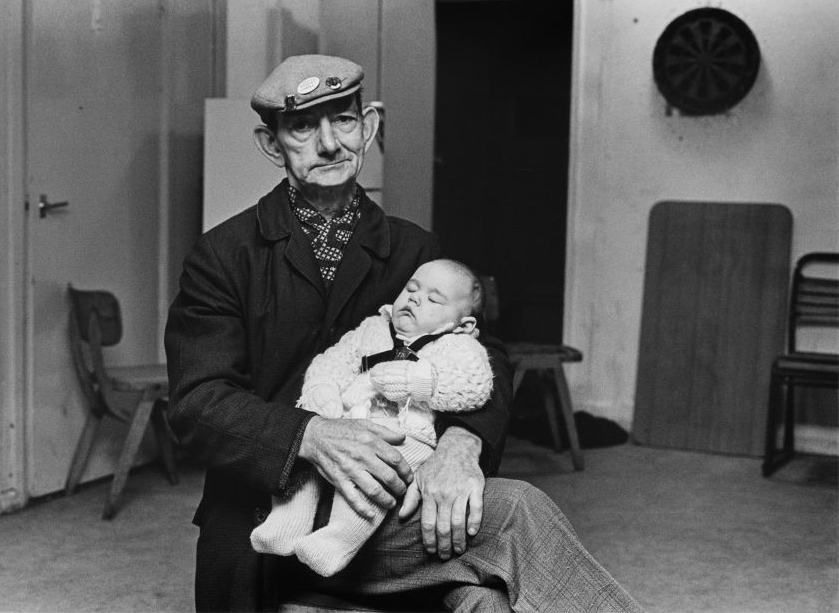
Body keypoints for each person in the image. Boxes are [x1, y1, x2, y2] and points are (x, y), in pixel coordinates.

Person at [165, 54, 644, 612]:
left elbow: (482, 352)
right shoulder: (223, 256)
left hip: (397, 499)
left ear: (368, 126)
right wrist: (311, 436)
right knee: (514, 513)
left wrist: (463, 444)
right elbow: (197, 402)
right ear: (272, 145)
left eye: (343, 120)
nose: (328, 143)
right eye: (302, 126)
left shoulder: (415, 248)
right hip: (274, 509)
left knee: (483, 602)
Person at [250, 258, 494, 577]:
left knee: (373, 476)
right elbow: (333, 361)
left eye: (434, 299)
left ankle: (339, 540)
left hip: (408, 437)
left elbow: (474, 383)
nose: (416, 298)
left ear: (463, 324)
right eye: (411, 288)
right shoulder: (371, 329)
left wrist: (420, 381)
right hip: (346, 423)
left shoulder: (456, 345)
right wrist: (321, 390)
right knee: (302, 456)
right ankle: (285, 523)